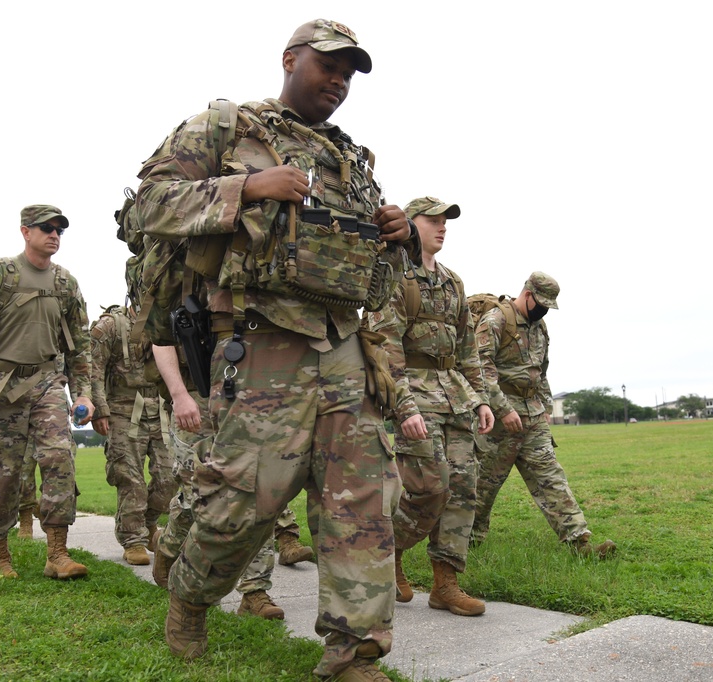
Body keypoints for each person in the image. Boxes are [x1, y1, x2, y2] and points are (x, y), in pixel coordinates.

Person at [133, 19, 418, 680]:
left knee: (361, 500)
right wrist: (247, 189)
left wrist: (395, 242)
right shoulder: (226, 128)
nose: (340, 81)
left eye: (350, 72)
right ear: (290, 60)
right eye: (329, 66)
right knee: (245, 500)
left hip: (344, 345)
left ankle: (354, 652)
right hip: (261, 342)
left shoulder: (354, 162)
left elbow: (372, 285)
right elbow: (149, 203)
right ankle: (192, 596)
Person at [362, 197, 494, 617]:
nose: (442, 228)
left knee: (462, 490)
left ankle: (445, 584)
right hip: (415, 396)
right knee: (428, 488)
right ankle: (391, 554)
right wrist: (405, 408)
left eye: (445, 222)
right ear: (411, 224)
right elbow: (385, 346)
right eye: (432, 220)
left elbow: (467, 347)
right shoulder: (395, 277)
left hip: (454, 396)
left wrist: (480, 400)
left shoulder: (453, 281)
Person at [0, 204, 94, 580]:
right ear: (25, 232)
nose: (54, 234)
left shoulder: (66, 284)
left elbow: (80, 346)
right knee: (3, 474)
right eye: (46, 228)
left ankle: (57, 554)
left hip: (47, 382)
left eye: (60, 229)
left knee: (60, 457)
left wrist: (84, 394)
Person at [149, 345, 315, 621]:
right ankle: (168, 544)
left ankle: (254, 591)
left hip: (248, 392)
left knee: (256, 490)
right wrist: (178, 394)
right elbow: (161, 338)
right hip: (196, 394)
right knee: (196, 494)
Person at [470, 272, 617, 559]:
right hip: (499, 417)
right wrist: (503, 409)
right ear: (527, 294)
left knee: (550, 476)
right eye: (541, 302)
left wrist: (545, 407)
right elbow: (479, 370)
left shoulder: (540, 327)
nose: (544, 309)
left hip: (532, 415)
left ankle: (580, 543)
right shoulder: (495, 321)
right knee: (483, 484)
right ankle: (464, 544)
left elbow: (541, 370)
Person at [89, 305, 176, 566]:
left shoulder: (168, 320)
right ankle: (133, 539)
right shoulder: (111, 326)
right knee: (130, 477)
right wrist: (99, 410)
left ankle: (147, 525)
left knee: (170, 477)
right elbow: (92, 369)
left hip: (161, 409)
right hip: (122, 411)